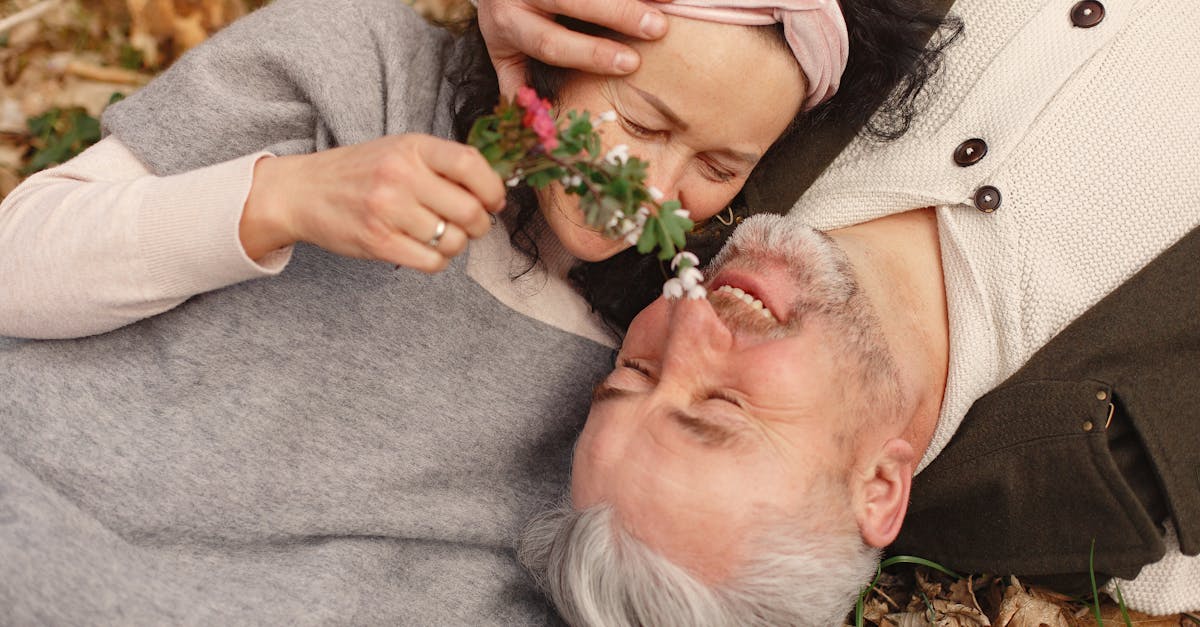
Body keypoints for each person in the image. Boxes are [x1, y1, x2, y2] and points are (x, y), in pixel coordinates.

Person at [0, 0, 952, 623]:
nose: (655, 187)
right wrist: (281, 200)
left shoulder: (645, 368)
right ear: (550, 46)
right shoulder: (359, 75)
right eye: (643, 123)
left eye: (717, 167)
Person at [518, 0, 1200, 623]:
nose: (688, 320)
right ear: (877, 487)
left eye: (634, 370)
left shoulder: (671, 155)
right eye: (723, 406)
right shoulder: (1139, 490)